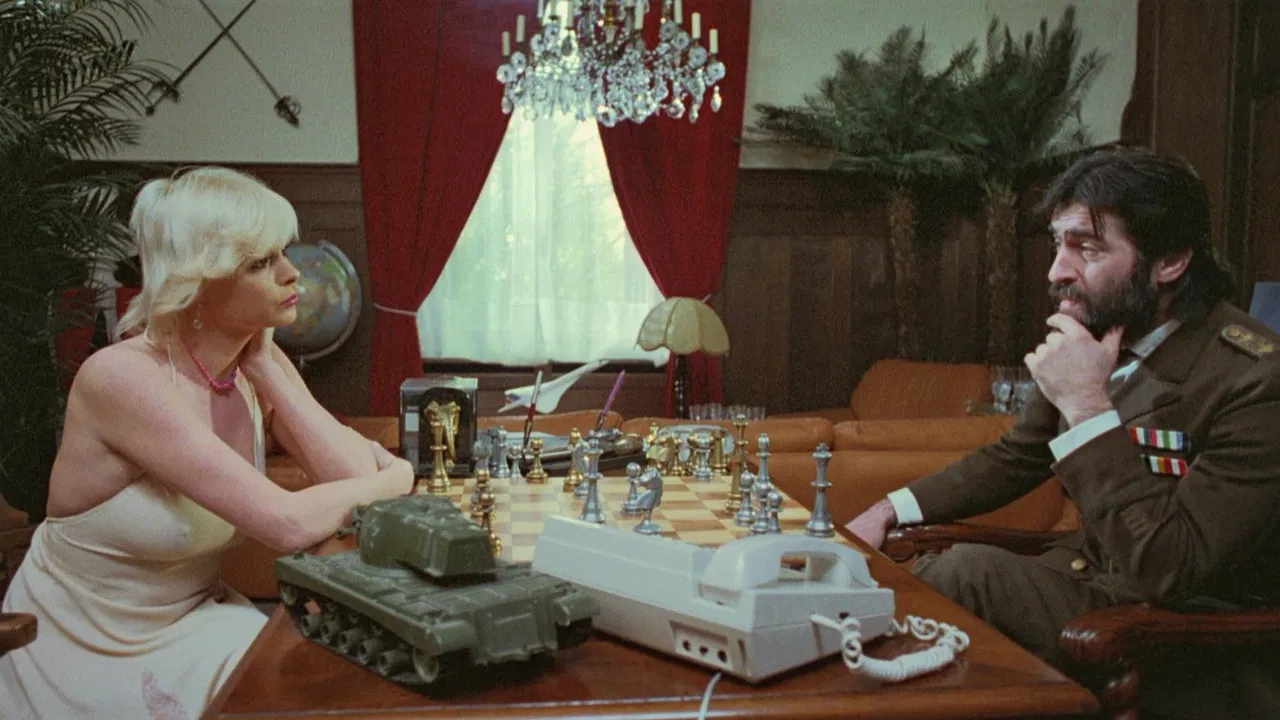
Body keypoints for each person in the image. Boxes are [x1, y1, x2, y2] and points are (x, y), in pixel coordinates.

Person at [847, 147, 1280, 719]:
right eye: (1058, 244)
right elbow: (1018, 456)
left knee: (962, 574)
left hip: (1187, 638)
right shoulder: (1105, 332)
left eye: (1088, 248)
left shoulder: (1255, 379)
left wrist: (1087, 404)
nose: (1057, 271)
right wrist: (888, 509)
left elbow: (1171, 567)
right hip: (1090, 586)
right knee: (919, 590)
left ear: (1171, 261)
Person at [0, 167, 415, 719]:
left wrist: (266, 371)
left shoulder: (254, 358)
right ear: (196, 280)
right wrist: (397, 475)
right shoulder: (123, 378)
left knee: (339, 679)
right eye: (260, 263)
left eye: (282, 252)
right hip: (85, 646)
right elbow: (286, 523)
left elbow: (350, 483)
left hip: (196, 619)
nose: (292, 273)